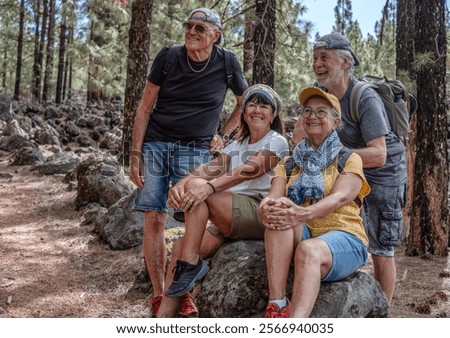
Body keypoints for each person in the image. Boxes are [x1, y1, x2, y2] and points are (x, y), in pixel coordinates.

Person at [129, 7, 248, 317]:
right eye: (188, 25)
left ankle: (184, 293)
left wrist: (224, 133)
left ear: (215, 35)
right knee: (154, 218)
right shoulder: (168, 57)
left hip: (195, 148)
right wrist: (135, 155)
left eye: (200, 27)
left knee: (194, 216)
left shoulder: (226, 62)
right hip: (156, 143)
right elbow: (144, 108)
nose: (192, 31)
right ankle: (159, 294)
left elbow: (244, 102)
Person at [156, 84, 289, 317]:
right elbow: (208, 169)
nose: (257, 110)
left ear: (273, 114)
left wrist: (206, 188)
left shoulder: (276, 141)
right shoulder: (236, 145)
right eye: (252, 104)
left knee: (200, 191)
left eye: (264, 105)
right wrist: (179, 185)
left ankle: (191, 263)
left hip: (259, 211)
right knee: (178, 247)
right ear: (244, 112)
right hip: (230, 214)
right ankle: (164, 317)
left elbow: (250, 170)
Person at [311, 33, 407, 304]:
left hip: (385, 174)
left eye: (325, 58)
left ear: (345, 62)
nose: (318, 64)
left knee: (380, 247)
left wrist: (335, 155)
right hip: (351, 168)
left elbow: (379, 154)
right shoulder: (324, 95)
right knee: (340, 229)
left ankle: (383, 313)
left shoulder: (364, 98)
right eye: (315, 58)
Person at [259, 86, 370, 318]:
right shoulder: (289, 162)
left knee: (309, 251)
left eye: (321, 112)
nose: (312, 117)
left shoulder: (349, 158)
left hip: (344, 234)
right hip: (306, 231)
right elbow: (274, 195)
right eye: (307, 111)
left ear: (336, 122)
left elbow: (340, 197)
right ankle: (277, 305)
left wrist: (302, 214)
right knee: (278, 213)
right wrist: (265, 207)